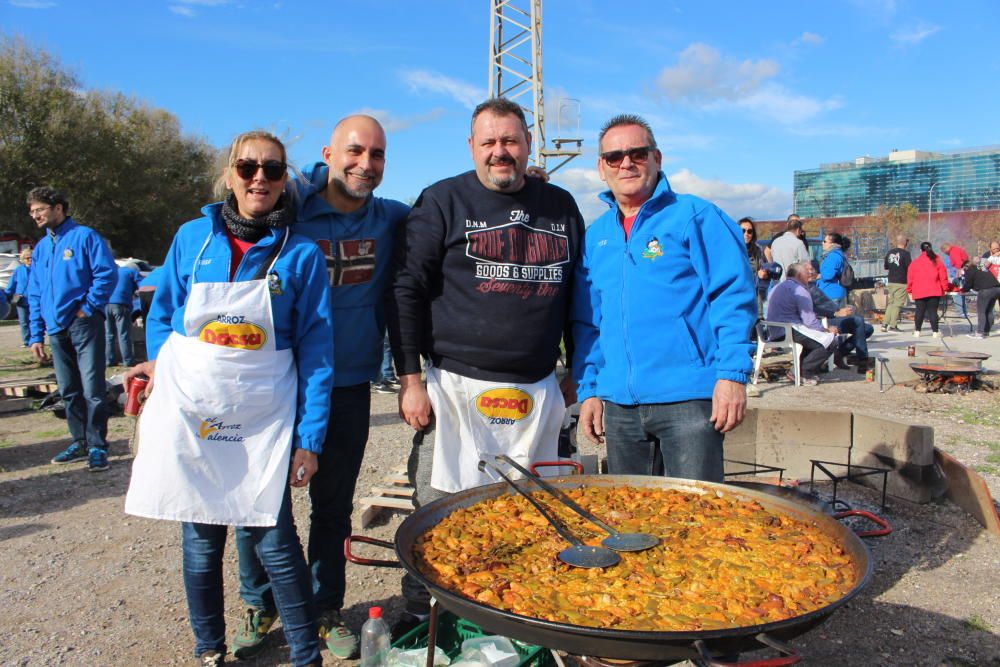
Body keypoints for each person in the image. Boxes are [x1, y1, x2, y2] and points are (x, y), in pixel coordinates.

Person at [123, 131, 332, 667]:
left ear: (286, 181)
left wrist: (309, 439)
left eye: (272, 169)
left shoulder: (302, 253)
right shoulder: (192, 239)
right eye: (247, 167)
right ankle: (208, 649)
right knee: (200, 538)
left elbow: (317, 349)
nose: (259, 177)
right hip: (195, 412)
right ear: (229, 175)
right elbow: (164, 316)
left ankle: (306, 654)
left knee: (275, 539)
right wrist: (161, 372)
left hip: (265, 419)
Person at [386, 97, 584, 634]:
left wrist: (577, 376)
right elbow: (405, 289)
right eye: (489, 142)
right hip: (453, 389)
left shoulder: (562, 205)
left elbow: (579, 298)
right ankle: (424, 619)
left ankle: (532, 616)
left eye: (511, 141)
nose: (501, 152)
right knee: (438, 515)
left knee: (541, 513)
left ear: (527, 145)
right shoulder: (443, 200)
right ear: (472, 146)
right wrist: (410, 381)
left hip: (540, 390)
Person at [232, 115, 410, 660]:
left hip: (351, 386)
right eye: (355, 151)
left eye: (377, 155)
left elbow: (457, 218)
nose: (366, 164)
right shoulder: (293, 207)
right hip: (277, 386)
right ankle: (259, 602)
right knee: (257, 502)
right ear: (329, 154)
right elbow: (236, 209)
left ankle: (326, 604)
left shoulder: (394, 220)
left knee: (332, 507)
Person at [572, 112, 756, 480]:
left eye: (638, 153)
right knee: (633, 521)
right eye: (614, 156)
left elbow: (732, 296)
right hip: (620, 408)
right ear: (601, 167)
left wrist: (732, 375)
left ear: (657, 158)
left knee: (694, 518)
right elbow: (589, 320)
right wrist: (590, 389)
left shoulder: (696, 216)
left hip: (687, 400)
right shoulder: (596, 235)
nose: (626, 163)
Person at [25, 186, 117, 472]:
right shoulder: (41, 248)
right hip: (55, 328)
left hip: (83, 323)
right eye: (31, 211)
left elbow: (106, 273)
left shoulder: (85, 237)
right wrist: (35, 333)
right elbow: (35, 292)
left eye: (39, 209)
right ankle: (79, 441)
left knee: (93, 388)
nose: (35, 215)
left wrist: (87, 308)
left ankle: (98, 445)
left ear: (57, 208)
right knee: (68, 389)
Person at [765, 262, 838, 385]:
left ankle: (799, 370)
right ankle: (803, 372)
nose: (809, 276)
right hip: (789, 328)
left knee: (814, 341)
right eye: (806, 274)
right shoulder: (799, 290)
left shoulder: (777, 287)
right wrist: (826, 330)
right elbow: (809, 320)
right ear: (799, 275)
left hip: (773, 329)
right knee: (831, 341)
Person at [804, 263, 873, 372]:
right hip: (820, 321)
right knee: (858, 322)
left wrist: (838, 311)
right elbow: (810, 311)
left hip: (829, 315)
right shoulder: (803, 289)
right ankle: (863, 360)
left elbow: (824, 304)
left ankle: (839, 353)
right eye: (807, 270)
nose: (811, 272)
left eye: (812, 269)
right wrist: (836, 313)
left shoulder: (814, 285)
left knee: (868, 329)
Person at [907, 241, 949, 338]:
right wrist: (945, 287)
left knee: (919, 311)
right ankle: (935, 332)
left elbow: (910, 277)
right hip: (934, 290)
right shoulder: (937, 261)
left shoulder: (915, 262)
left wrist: (909, 289)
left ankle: (917, 331)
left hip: (919, 291)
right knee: (933, 311)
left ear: (921, 250)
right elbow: (943, 276)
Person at [739, 217, 779, 319]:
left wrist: (764, 274)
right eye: (742, 231)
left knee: (757, 326)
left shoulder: (757, 250)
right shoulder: (732, 249)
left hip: (754, 297)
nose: (746, 234)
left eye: (749, 231)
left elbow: (763, 270)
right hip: (737, 298)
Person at [105, 261, 142, 367]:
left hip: (106, 304)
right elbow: (143, 285)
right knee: (123, 334)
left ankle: (109, 360)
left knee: (109, 334)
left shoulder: (114, 271)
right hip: (121, 305)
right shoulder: (132, 272)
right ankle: (128, 361)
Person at [960, 259, 1000, 339]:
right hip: (997, 289)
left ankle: (980, 333)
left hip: (985, 291)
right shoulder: (981, 270)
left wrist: (962, 290)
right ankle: (986, 332)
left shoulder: (970, 272)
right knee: (989, 311)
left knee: (981, 312)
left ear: (966, 267)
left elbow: (967, 285)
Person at [4, 246, 33, 347]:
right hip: (21, 300)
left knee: (35, 321)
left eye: (31, 257)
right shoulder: (19, 270)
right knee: (24, 322)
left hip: (35, 300)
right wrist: (6, 295)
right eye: (27, 258)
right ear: (22, 259)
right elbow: (11, 284)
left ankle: (36, 341)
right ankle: (27, 341)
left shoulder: (38, 269)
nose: (29, 260)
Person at [882, 236, 910, 332]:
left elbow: (886, 266)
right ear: (905, 243)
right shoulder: (906, 254)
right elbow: (910, 268)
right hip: (901, 281)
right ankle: (893, 325)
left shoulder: (889, 252)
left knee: (891, 303)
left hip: (891, 280)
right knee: (897, 304)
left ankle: (884, 324)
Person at [770, 215, 809, 281]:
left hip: (777, 281)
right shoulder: (798, 243)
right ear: (798, 230)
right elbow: (806, 265)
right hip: (793, 283)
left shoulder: (775, 242)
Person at [818, 231, 850, 307]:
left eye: (825, 241)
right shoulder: (838, 254)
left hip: (831, 294)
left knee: (832, 318)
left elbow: (828, 275)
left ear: (832, 244)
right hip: (835, 292)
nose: (822, 243)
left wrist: (817, 276)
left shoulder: (832, 256)